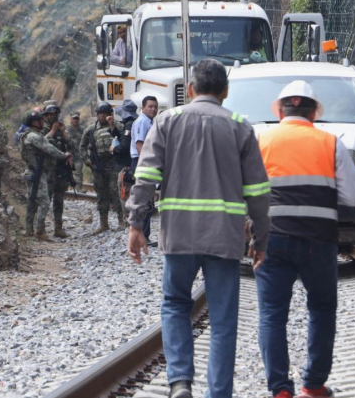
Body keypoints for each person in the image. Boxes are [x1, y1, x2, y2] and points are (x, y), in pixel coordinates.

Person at [126, 59, 272, 398]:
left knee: (175, 304)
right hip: (224, 238)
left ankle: (179, 382)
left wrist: (135, 224)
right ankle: (218, 393)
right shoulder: (240, 127)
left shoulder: (166, 122)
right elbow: (258, 191)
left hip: (179, 235)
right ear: (225, 91)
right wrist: (260, 238)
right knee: (223, 321)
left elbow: (145, 176)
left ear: (190, 89)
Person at [252, 81, 355, 398]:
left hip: (272, 239)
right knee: (322, 308)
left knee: (272, 314)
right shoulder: (330, 143)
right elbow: (352, 195)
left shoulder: (262, 140)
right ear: (314, 113)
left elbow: (245, 191)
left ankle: (280, 390)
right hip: (319, 240)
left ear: (279, 111)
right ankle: (313, 386)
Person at [18, 110, 71, 241]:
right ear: (34, 122)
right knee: (45, 202)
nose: (42, 122)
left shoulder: (29, 135)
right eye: (40, 120)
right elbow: (48, 148)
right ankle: (39, 231)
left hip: (32, 171)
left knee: (32, 201)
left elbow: (44, 142)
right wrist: (63, 155)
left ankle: (29, 230)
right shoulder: (34, 136)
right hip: (37, 173)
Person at [81, 103, 125, 232]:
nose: (101, 116)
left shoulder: (118, 126)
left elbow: (125, 141)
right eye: (99, 113)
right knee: (101, 194)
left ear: (110, 114)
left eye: (104, 113)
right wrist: (88, 161)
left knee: (116, 192)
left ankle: (121, 221)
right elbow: (82, 146)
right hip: (98, 166)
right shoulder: (91, 130)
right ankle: (103, 223)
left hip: (114, 164)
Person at [128, 95, 158, 244]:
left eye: (155, 107)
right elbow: (140, 144)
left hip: (142, 161)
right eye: (150, 106)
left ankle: (144, 235)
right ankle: (142, 236)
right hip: (141, 162)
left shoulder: (149, 121)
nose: (153, 109)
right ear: (143, 107)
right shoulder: (142, 122)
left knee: (147, 202)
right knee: (144, 202)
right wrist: (146, 163)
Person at [42, 102, 73, 238]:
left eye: (55, 114)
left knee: (59, 200)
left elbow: (73, 146)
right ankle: (40, 229)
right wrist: (53, 131)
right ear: (45, 116)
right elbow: (42, 143)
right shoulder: (42, 129)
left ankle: (58, 228)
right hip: (48, 171)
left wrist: (64, 132)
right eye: (50, 114)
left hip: (61, 170)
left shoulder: (61, 130)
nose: (53, 117)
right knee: (45, 200)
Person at [66, 111, 85, 188]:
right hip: (68, 154)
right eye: (74, 118)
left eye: (77, 118)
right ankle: (66, 188)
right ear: (70, 119)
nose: (75, 120)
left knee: (78, 172)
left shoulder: (82, 130)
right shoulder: (66, 129)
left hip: (78, 154)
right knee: (67, 171)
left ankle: (78, 188)